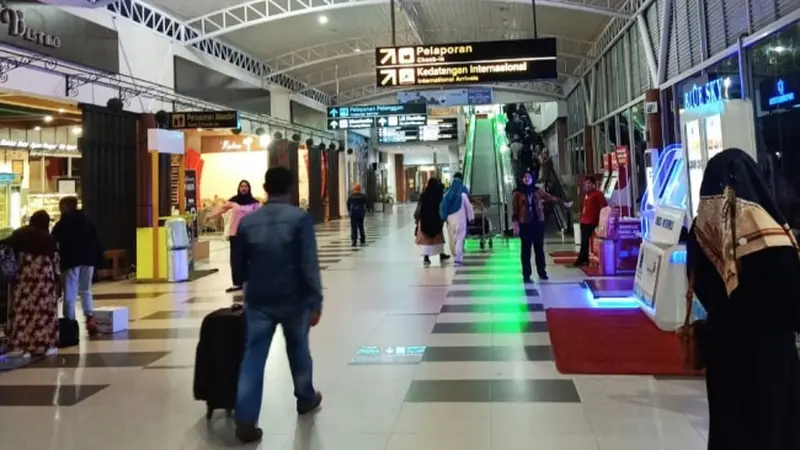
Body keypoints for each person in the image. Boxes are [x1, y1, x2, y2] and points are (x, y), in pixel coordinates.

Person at [686, 148, 800, 450]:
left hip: (722, 348)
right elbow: (792, 301)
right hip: (768, 356)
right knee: (770, 431)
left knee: (729, 429)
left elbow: (698, 284)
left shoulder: (700, 232)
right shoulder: (768, 236)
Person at [233, 167, 323, 444]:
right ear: (291, 187)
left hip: (259, 299)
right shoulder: (299, 219)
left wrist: (248, 285)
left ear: (265, 187)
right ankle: (305, 398)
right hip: (294, 299)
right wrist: (316, 300)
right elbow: (308, 263)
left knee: (253, 357)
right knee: (298, 350)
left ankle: (246, 419)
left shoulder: (249, 222)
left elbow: (238, 267)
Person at [4, 211, 59, 356]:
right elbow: (55, 261)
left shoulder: (19, 234)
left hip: (24, 280)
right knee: (43, 313)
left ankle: (23, 345)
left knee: (24, 312)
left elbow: (5, 246)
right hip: (43, 283)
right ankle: (43, 343)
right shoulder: (49, 239)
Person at [51, 196, 103, 336]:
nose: (59, 209)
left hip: (71, 260)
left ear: (66, 207)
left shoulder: (63, 223)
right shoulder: (87, 221)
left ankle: (70, 322)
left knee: (70, 291)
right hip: (88, 259)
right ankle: (90, 317)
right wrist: (98, 260)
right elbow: (96, 241)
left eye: (61, 206)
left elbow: (53, 240)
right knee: (86, 289)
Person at [207, 180, 260, 293]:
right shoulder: (234, 201)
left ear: (249, 188)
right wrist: (210, 216)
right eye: (242, 186)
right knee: (236, 259)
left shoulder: (254, 203)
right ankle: (237, 283)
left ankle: (250, 281)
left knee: (250, 258)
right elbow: (222, 209)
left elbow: (261, 216)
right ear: (239, 188)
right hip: (235, 234)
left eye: (246, 186)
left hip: (250, 234)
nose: (244, 188)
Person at [512, 170, 564, 282]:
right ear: (521, 179)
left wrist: (561, 202)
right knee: (526, 250)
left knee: (539, 249)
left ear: (533, 179)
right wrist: (516, 225)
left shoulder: (537, 191)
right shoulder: (517, 193)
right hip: (525, 224)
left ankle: (542, 272)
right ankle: (526, 274)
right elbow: (515, 210)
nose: (527, 179)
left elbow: (549, 197)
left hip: (538, 223)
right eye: (524, 177)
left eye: (529, 177)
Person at [573, 177, 607, 267]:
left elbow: (604, 205)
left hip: (591, 221)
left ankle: (581, 259)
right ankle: (585, 259)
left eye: (588, 183)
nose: (586, 186)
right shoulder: (587, 195)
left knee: (584, 241)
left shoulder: (598, 194)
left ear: (593, 184)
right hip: (584, 220)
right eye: (585, 184)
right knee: (584, 241)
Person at [440, 177, 474, 265]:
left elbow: (443, 208)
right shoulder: (463, 196)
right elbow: (469, 208)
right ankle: (458, 258)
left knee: (452, 238)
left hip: (450, 220)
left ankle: (454, 254)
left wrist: (444, 218)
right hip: (461, 220)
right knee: (459, 239)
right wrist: (471, 217)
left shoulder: (447, 195)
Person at [415, 178, 448, 267]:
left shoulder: (424, 195)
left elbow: (419, 207)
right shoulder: (437, 195)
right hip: (435, 220)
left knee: (426, 241)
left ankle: (426, 258)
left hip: (425, 221)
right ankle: (441, 255)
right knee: (438, 239)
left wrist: (417, 219)